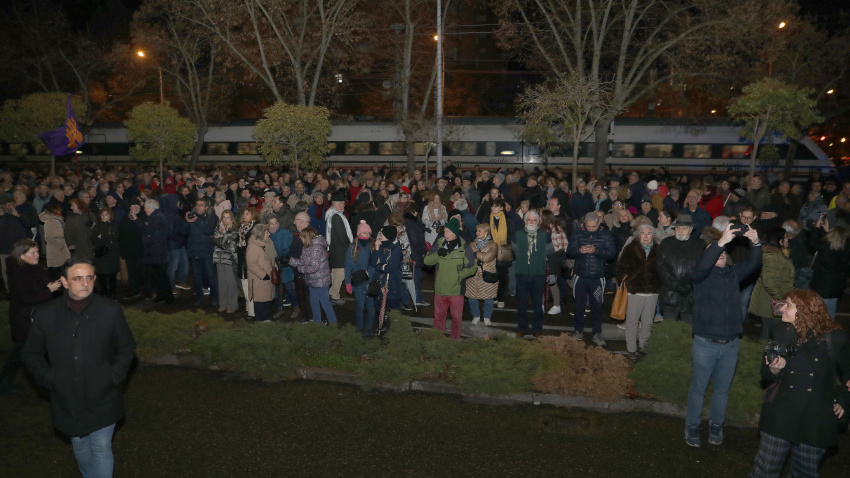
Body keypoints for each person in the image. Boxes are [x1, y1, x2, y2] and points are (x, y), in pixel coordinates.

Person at [22, 258, 136, 478]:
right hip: (67, 397)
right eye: (78, 278)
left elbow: (127, 346)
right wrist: (49, 379)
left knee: (101, 446)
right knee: (80, 444)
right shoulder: (46, 314)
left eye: (89, 278)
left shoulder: (109, 310)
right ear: (64, 282)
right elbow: (31, 353)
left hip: (103, 394)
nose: (85, 283)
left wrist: (114, 376)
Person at [748, 289, 850, 477]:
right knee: (764, 472)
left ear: (804, 311)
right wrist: (774, 370)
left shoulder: (834, 339)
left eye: (788, 305)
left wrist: (844, 400)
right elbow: (765, 371)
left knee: (804, 474)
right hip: (781, 415)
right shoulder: (779, 333)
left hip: (815, 420)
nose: (782, 309)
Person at [685, 223, 762, 448]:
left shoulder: (732, 274)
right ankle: (691, 426)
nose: (720, 255)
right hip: (705, 344)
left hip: (730, 345)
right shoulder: (700, 276)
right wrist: (719, 243)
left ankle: (716, 426)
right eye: (714, 252)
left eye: (722, 252)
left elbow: (754, 263)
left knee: (722, 390)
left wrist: (756, 243)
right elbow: (703, 265)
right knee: (698, 389)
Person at [0, 240, 63, 393]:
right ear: (22, 256)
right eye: (33, 253)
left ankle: (5, 383)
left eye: (37, 251)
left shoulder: (33, 268)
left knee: (26, 352)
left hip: (37, 318)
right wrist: (49, 290)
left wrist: (53, 285)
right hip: (26, 320)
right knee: (24, 353)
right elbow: (25, 298)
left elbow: (39, 286)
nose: (37, 255)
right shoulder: (18, 274)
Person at [567, 212, 615, 345]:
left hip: (597, 277)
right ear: (584, 223)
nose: (591, 229)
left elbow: (612, 254)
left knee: (597, 306)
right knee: (579, 306)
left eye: (593, 226)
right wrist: (579, 250)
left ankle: (597, 332)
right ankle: (577, 331)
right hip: (580, 276)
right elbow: (569, 251)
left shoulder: (605, 234)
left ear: (599, 222)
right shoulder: (577, 233)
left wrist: (596, 251)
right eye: (588, 226)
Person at [425, 218, 477, 340]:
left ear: (455, 233)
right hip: (440, 289)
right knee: (438, 319)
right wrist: (438, 254)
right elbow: (427, 261)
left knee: (457, 319)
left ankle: (454, 342)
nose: (445, 234)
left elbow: (473, 267)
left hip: (456, 291)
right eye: (445, 231)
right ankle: (437, 342)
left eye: (448, 231)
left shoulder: (465, 248)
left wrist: (461, 274)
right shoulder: (439, 243)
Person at [617, 223, 660, 360]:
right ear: (638, 234)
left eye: (649, 233)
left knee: (648, 322)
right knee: (632, 322)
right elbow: (621, 268)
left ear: (653, 235)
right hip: (634, 291)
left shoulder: (658, 249)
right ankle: (631, 349)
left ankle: (644, 347)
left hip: (652, 292)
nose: (646, 236)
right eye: (643, 233)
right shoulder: (630, 249)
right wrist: (626, 282)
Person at [656, 215, 705, 323]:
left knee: (687, 332)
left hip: (691, 295)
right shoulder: (666, 243)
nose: (680, 231)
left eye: (684, 228)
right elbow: (661, 267)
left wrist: (690, 285)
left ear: (691, 229)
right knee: (669, 331)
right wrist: (676, 285)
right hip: (670, 294)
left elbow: (702, 268)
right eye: (678, 228)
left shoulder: (700, 245)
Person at [749, 227, 795, 341]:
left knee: (773, 334)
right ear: (779, 241)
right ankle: (767, 357)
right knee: (771, 336)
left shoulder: (777, 254)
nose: (788, 239)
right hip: (770, 304)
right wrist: (782, 299)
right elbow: (769, 282)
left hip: (772, 303)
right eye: (785, 237)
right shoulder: (772, 257)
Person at [290, 227, 337, 325]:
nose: (300, 239)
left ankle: (333, 324)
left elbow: (312, 268)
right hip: (313, 281)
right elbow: (303, 262)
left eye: (302, 237)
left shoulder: (316, 249)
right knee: (314, 304)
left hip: (320, 282)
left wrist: (299, 269)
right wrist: (290, 261)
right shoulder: (307, 247)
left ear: (306, 237)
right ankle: (317, 325)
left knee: (325, 304)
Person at [133, 199, 174, 305]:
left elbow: (147, 230)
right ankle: (161, 295)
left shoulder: (157, 218)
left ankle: (168, 297)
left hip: (156, 253)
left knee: (161, 276)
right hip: (153, 252)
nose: (144, 210)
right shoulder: (155, 216)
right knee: (157, 276)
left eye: (145, 208)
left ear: (150, 208)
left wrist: (136, 219)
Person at [181, 198, 219, 307]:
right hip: (194, 251)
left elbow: (209, 230)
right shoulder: (191, 216)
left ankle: (214, 297)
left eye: (201, 205)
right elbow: (182, 231)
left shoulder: (211, 217)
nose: (198, 207)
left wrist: (197, 220)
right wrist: (186, 221)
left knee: (211, 276)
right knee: (196, 278)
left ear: (206, 207)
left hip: (206, 251)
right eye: (197, 205)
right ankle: (199, 297)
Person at [809, 221, 850, 319]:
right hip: (836, 287)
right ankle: (829, 330)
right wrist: (827, 230)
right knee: (831, 311)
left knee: (818, 312)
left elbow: (813, 241)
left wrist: (816, 227)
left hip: (822, 287)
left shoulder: (825, 248)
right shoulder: (845, 250)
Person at [370, 226, 403, 335]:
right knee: (379, 310)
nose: (379, 236)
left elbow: (390, 268)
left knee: (394, 311)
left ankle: (396, 333)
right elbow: (373, 263)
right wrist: (376, 249)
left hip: (392, 286)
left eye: (382, 234)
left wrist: (380, 266)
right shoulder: (380, 247)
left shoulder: (396, 249)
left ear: (388, 236)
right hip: (380, 285)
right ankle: (380, 330)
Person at [345, 221, 375, 335]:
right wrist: (348, 282)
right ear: (358, 234)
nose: (366, 235)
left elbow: (375, 264)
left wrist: (372, 276)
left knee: (370, 306)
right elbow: (348, 265)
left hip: (371, 281)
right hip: (358, 282)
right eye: (363, 232)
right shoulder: (353, 247)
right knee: (359, 306)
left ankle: (368, 328)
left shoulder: (373, 245)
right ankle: (359, 327)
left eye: (368, 233)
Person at [466, 223, 498, 326]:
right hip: (473, 276)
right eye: (477, 231)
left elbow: (489, 257)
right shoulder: (472, 244)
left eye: (479, 231)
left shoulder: (493, 244)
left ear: (486, 232)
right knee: (472, 297)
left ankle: (487, 317)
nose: (477, 233)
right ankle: (476, 316)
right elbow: (467, 257)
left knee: (489, 298)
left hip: (487, 275)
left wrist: (475, 254)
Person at [245, 224, 276, 322]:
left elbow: (273, 259)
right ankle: (261, 322)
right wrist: (264, 275)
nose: (269, 234)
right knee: (260, 303)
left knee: (267, 301)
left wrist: (275, 270)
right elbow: (251, 265)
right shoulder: (252, 247)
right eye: (267, 232)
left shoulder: (268, 243)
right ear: (261, 234)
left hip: (269, 278)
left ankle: (265, 320)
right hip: (259, 279)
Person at [326, 190, 352, 305]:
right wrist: (350, 245)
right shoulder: (336, 216)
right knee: (340, 274)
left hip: (335, 249)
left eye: (344, 203)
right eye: (341, 203)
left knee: (335, 273)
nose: (343, 205)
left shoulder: (332, 214)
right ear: (336, 203)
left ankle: (331, 293)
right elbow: (342, 236)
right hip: (340, 250)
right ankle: (335, 297)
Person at [212, 210, 240, 313]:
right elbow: (213, 240)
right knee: (222, 282)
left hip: (230, 259)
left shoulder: (235, 230)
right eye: (224, 217)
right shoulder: (217, 228)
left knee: (231, 282)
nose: (225, 220)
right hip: (219, 258)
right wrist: (224, 240)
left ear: (232, 219)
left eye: (228, 217)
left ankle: (233, 304)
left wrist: (220, 238)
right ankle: (223, 304)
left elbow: (231, 246)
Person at [541, 209, 568, 315]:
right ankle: (542, 305)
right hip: (546, 260)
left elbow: (563, 246)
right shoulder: (544, 229)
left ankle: (556, 305)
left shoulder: (555, 229)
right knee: (542, 283)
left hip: (553, 260)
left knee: (552, 283)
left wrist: (551, 254)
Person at [91, 207, 121, 299]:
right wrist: (106, 238)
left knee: (112, 277)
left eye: (106, 214)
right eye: (102, 214)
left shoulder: (114, 226)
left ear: (110, 216)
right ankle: (103, 296)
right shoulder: (97, 227)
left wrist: (102, 237)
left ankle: (112, 295)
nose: (104, 216)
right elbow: (94, 240)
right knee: (102, 277)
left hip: (112, 255)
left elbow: (115, 239)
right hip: (101, 256)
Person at [236, 208, 259, 317]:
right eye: (243, 214)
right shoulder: (241, 228)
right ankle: (248, 307)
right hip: (242, 260)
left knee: (250, 287)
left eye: (247, 214)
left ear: (253, 215)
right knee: (244, 285)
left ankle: (253, 311)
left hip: (250, 261)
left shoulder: (255, 229)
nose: (244, 216)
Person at [39, 202, 71, 279]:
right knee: (56, 273)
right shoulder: (50, 221)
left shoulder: (58, 219)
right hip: (56, 250)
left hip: (61, 249)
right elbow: (48, 237)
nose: (61, 210)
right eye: (59, 208)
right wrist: (61, 245)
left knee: (63, 271)